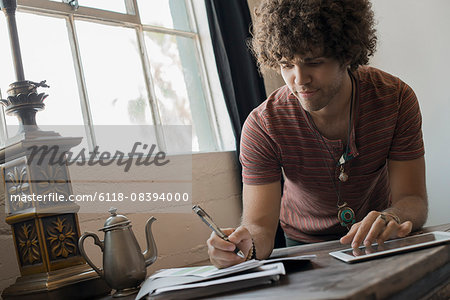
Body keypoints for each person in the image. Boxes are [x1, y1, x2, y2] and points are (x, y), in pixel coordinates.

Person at [207, 0, 428, 268]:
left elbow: (413, 200)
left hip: (378, 237)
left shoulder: (395, 99)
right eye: (286, 64)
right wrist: (242, 246)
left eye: (313, 62)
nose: (299, 79)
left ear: (346, 55)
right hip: (305, 247)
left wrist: (392, 216)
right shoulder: (263, 126)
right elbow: (259, 228)